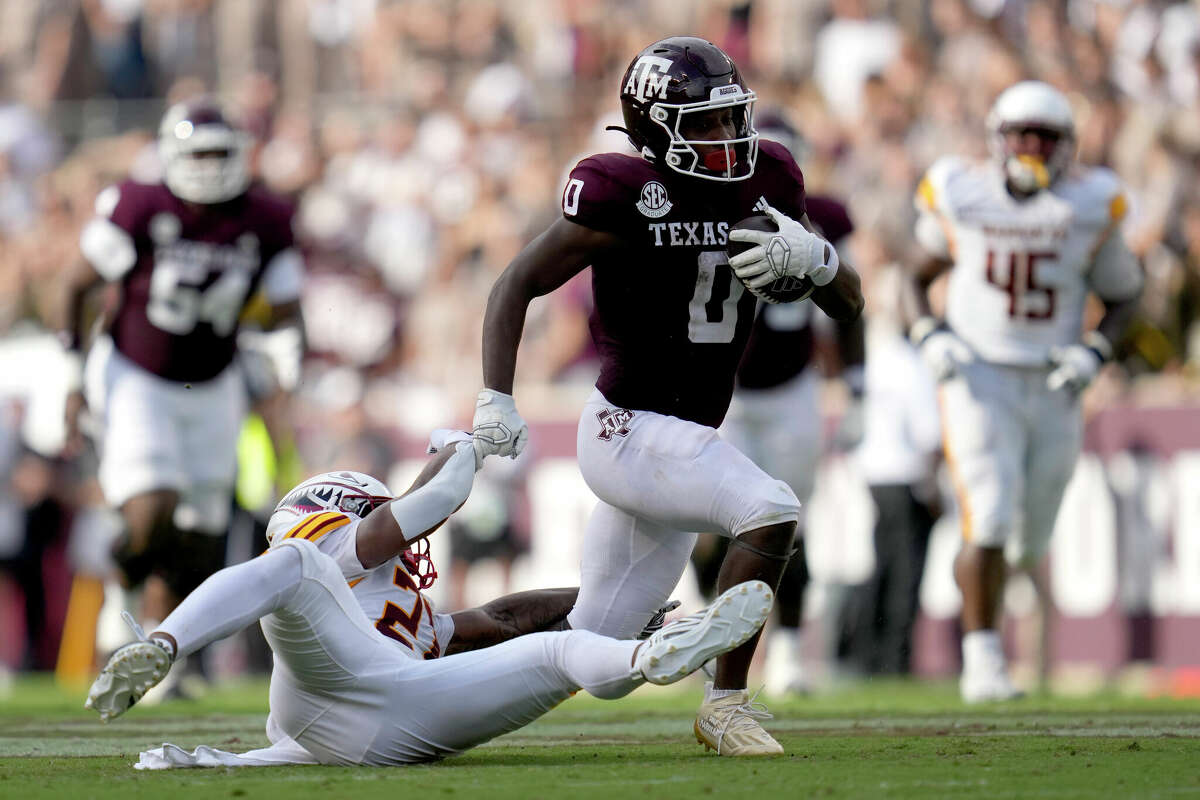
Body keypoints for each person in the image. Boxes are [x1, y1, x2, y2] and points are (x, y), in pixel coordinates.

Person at [472, 37, 863, 755]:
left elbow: (847, 305)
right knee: (771, 510)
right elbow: (514, 284)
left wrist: (819, 258)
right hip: (626, 427)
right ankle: (727, 704)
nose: (726, 136)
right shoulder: (619, 191)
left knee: (602, 663)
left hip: (678, 435)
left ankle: (433, 646)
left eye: (730, 117)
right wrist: (497, 396)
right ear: (653, 128)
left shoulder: (770, 176)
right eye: (704, 124)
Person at [85, 431, 773, 767]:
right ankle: (162, 643)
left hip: (370, 719)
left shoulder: (403, 612)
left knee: (558, 648)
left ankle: (655, 649)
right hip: (374, 707)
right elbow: (436, 499)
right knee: (293, 563)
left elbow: (503, 618)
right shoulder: (328, 549)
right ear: (340, 512)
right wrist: (465, 443)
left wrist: (605, 597)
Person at [909, 81, 1144, 702]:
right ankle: (983, 660)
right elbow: (917, 274)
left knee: (1030, 535)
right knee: (985, 514)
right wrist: (929, 332)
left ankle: (995, 625)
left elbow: (1123, 293)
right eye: (1023, 134)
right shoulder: (962, 191)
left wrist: (1096, 350)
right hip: (979, 376)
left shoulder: (1092, 203)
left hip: (1054, 381)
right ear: (998, 138)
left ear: (1067, 144)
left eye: (1046, 136)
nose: (1033, 146)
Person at [56, 98, 305, 629]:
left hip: (215, 381)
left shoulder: (265, 217)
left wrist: (284, 363)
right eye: (200, 154)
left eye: (222, 153)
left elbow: (287, 309)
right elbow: (76, 285)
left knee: (202, 533)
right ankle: (120, 593)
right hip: (137, 374)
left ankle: (161, 644)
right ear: (171, 156)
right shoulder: (142, 205)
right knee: (152, 504)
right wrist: (74, 377)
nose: (212, 166)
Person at [704, 109, 864, 696]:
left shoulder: (824, 218)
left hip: (793, 390)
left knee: (788, 526)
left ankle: (791, 650)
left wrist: (859, 386)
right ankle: (710, 631)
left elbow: (849, 304)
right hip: (727, 393)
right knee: (712, 530)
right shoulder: (709, 209)